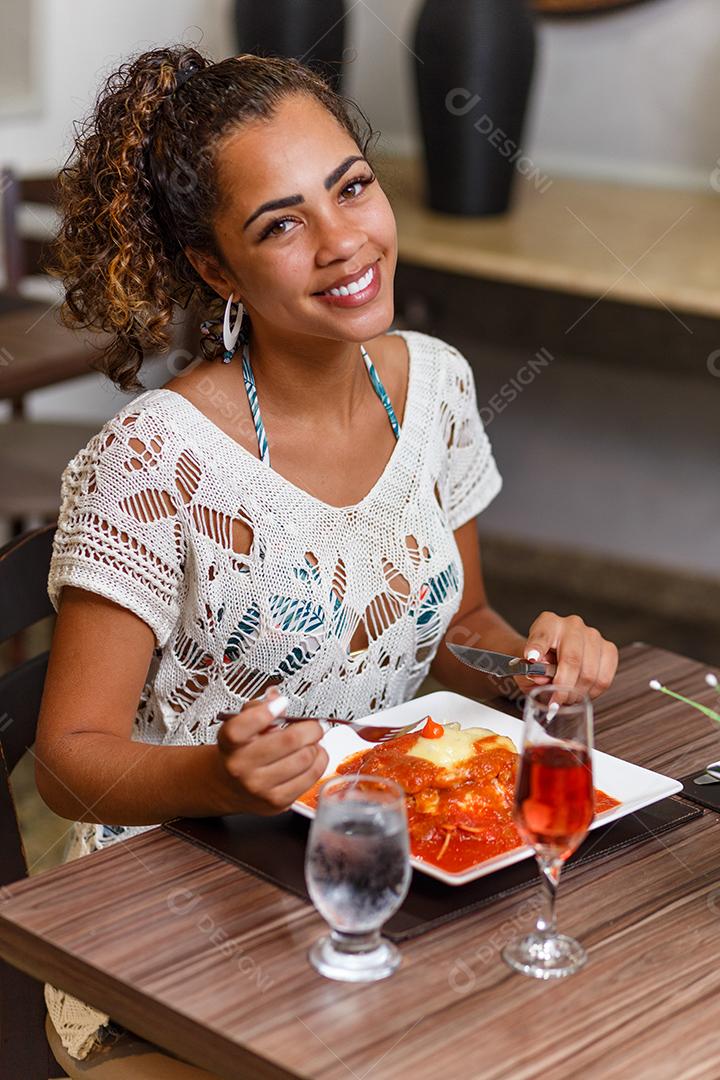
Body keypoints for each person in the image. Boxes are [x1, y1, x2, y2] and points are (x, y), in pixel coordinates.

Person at [35, 45, 619, 1066]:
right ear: (216, 268)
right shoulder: (153, 461)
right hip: (176, 914)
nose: (345, 242)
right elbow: (66, 764)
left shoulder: (435, 385)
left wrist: (531, 663)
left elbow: (461, 627)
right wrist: (221, 778)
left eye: (351, 188)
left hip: (377, 875)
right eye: (280, 223)